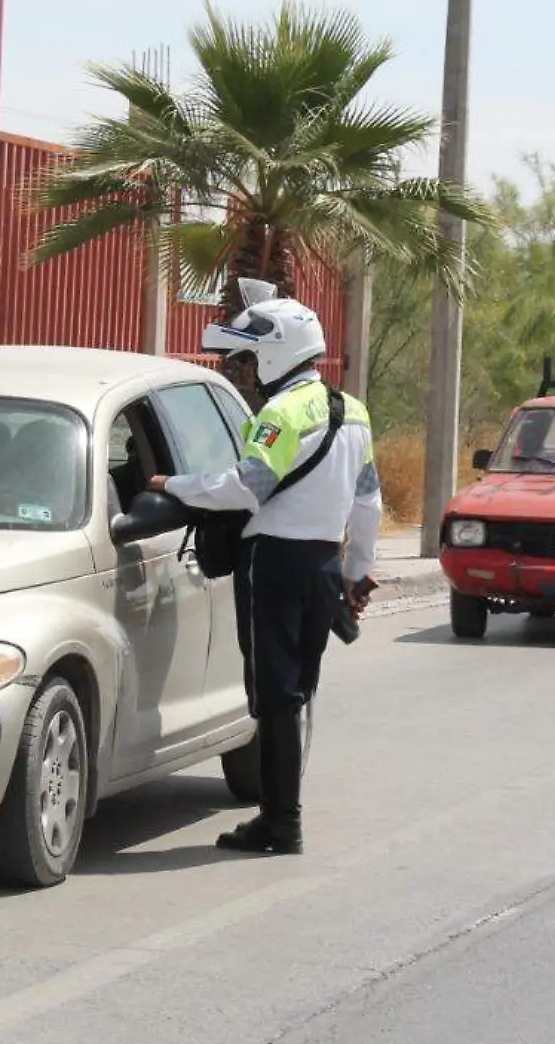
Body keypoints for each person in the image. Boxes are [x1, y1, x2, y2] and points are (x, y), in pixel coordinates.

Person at [149, 279, 382, 855]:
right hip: (325, 565)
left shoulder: (280, 412)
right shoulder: (353, 411)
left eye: (250, 358)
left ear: (278, 351)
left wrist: (172, 484)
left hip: (273, 565)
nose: (246, 370)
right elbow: (370, 503)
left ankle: (281, 821)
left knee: (274, 695)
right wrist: (356, 573)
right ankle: (282, 813)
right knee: (298, 690)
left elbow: (243, 489)